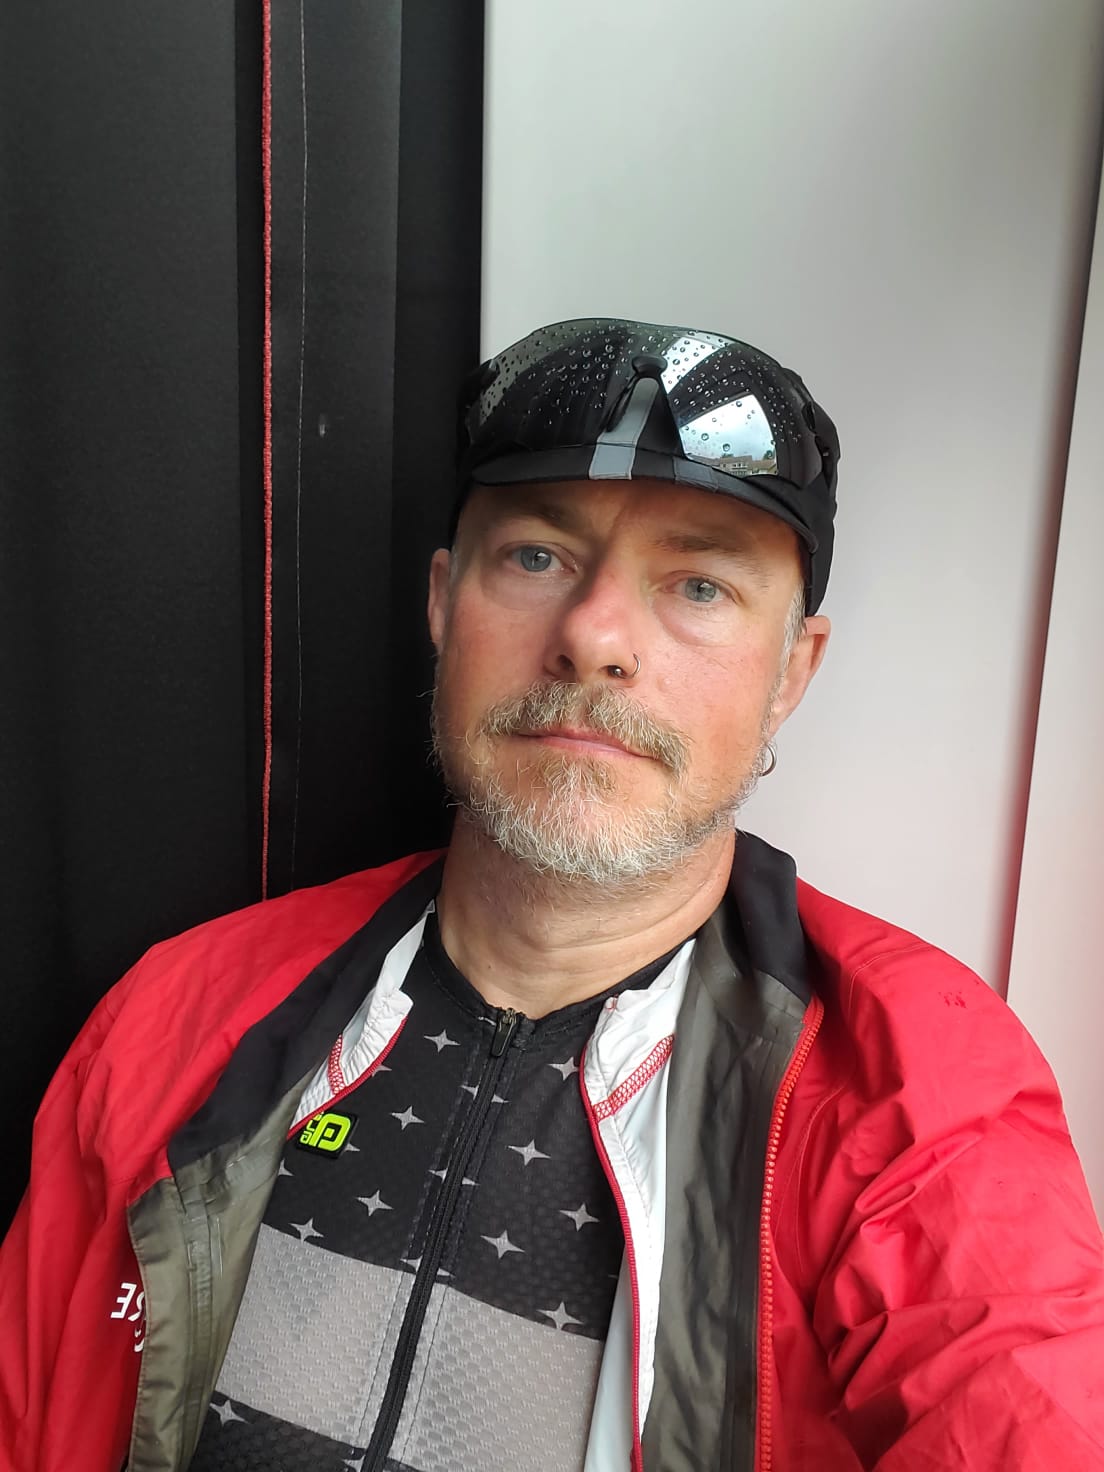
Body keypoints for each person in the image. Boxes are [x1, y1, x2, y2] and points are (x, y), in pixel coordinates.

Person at [2, 318, 1102, 1472]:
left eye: (699, 583)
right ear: (444, 602)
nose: (594, 636)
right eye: (536, 557)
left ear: (792, 671)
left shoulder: (919, 1087)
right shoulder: (175, 1013)